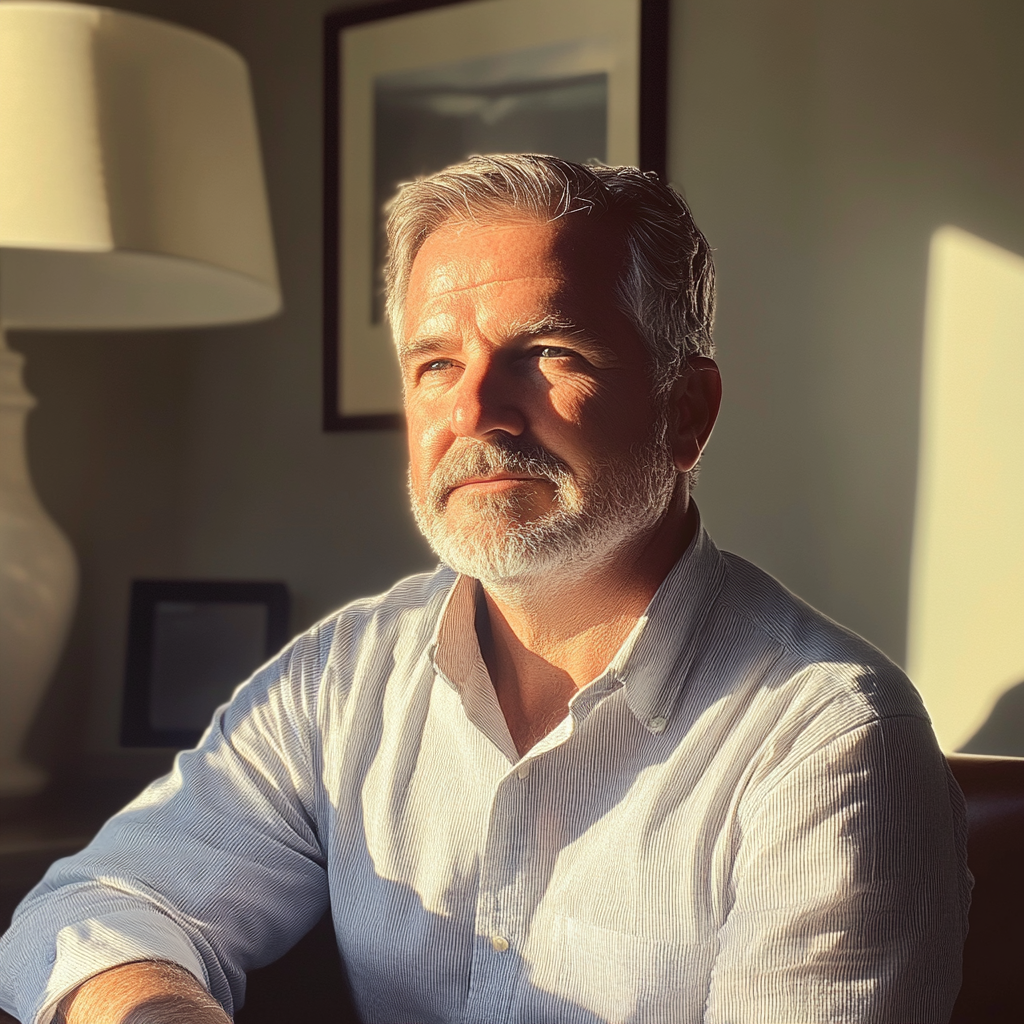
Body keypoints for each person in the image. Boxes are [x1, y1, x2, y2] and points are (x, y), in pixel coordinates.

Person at [0, 155, 970, 1024]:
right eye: (435, 364)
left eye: (547, 355)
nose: (472, 410)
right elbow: (98, 900)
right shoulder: (342, 677)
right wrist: (158, 1007)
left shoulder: (829, 740)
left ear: (686, 410)